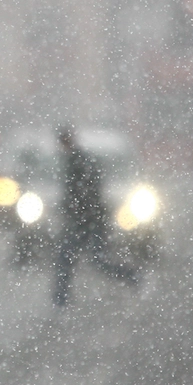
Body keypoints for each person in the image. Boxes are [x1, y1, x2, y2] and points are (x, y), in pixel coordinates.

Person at [52, 125, 138, 306]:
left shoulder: (79, 162)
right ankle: (60, 300)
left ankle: (133, 276)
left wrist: (77, 210)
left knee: (85, 260)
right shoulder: (76, 161)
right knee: (79, 260)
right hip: (87, 221)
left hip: (88, 221)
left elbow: (87, 193)